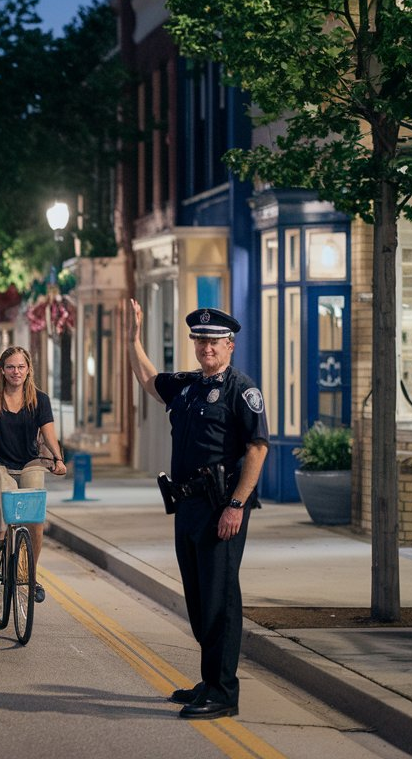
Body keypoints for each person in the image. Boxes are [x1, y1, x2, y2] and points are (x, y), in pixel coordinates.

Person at [129, 302, 269, 720]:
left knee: (220, 599)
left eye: (213, 341)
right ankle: (209, 681)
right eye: (200, 341)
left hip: (221, 508)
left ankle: (224, 693)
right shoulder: (189, 386)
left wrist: (237, 505)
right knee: (197, 596)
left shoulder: (241, 390)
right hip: (187, 504)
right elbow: (149, 380)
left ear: (230, 344)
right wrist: (133, 338)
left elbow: (258, 448)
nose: (206, 348)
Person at [0, 346, 65, 616]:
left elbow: (48, 435)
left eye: (21, 367)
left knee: (35, 522)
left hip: (29, 463)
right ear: (2, 370)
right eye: (10, 367)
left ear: (28, 370)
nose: (16, 372)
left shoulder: (39, 399)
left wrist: (58, 459)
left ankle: (30, 575)